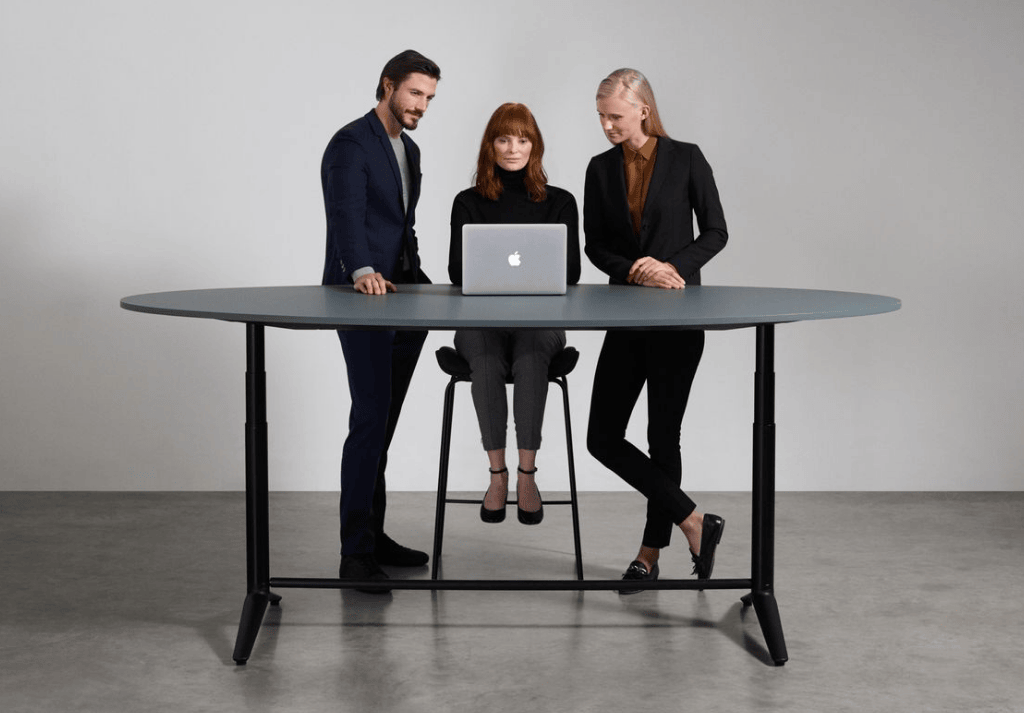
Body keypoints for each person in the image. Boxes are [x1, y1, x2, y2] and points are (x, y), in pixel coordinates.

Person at [583, 69, 728, 594]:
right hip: (624, 318)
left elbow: (716, 230)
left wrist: (672, 267)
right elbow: (594, 244)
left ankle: (648, 554)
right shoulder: (599, 169)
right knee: (602, 436)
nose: (605, 125)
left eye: (614, 116)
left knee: (663, 437)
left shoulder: (687, 157)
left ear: (642, 109)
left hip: (678, 319)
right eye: (600, 116)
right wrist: (634, 269)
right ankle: (694, 521)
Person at [320, 49, 441, 591]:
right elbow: (345, 213)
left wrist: (421, 278)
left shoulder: (408, 149)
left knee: (384, 423)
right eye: (415, 93)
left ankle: (376, 535)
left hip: (404, 298)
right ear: (388, 86)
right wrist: (362, 270)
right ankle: (354, 553)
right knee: (369, 419)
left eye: (430, 98)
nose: (422, 105)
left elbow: (401, 223)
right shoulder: (351, 142)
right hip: (361, 296)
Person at [448, 103, 581, 526]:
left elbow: (572, 272)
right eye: (503, 139)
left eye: (522, 140)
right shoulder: (467, 202)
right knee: (485, 359)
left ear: (534, 146)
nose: (512, 148)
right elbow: (457, 271)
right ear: (490, 145)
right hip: (480, 321)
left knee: (530, 355)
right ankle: (497, 474)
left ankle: (527, 473)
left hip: (539, 322)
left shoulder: (560, 201)